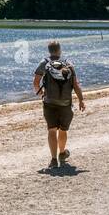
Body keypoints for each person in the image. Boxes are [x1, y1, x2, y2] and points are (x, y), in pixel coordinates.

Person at [33, 40, 85, 169]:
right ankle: (62, 153)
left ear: (49, 51)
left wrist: (42, 95)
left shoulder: (44, 63)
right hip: (65, 103)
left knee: (51, 130)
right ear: (59, 50)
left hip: (49, 102)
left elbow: (35, 83)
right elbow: (75, 84)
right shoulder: (68, 64)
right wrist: (81, 100)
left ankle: (53, 160)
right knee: (63, 130)